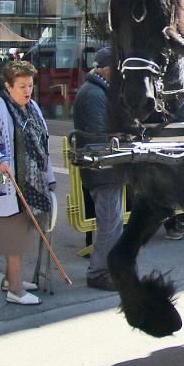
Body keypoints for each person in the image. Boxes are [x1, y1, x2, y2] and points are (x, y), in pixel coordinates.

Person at [0, 61, 56, 305]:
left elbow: (43, 147)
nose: (27, 91)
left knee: (19, 235)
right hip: (6, 184)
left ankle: (11, 280)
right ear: (8, 86)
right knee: (14, 238)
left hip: (30, 184)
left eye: (30, 85)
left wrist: (49, 178)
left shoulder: (34, 108)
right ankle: (16, 290)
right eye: (21, 86)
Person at [72, 47, 121, 291]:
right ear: (105, 68)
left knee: (112, 222)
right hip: (103, 169)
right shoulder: (94, 94)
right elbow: (99, 136)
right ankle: (98, 272)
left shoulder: (96, 90)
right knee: (109, 223)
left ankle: (108, 268)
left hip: (105, 169)